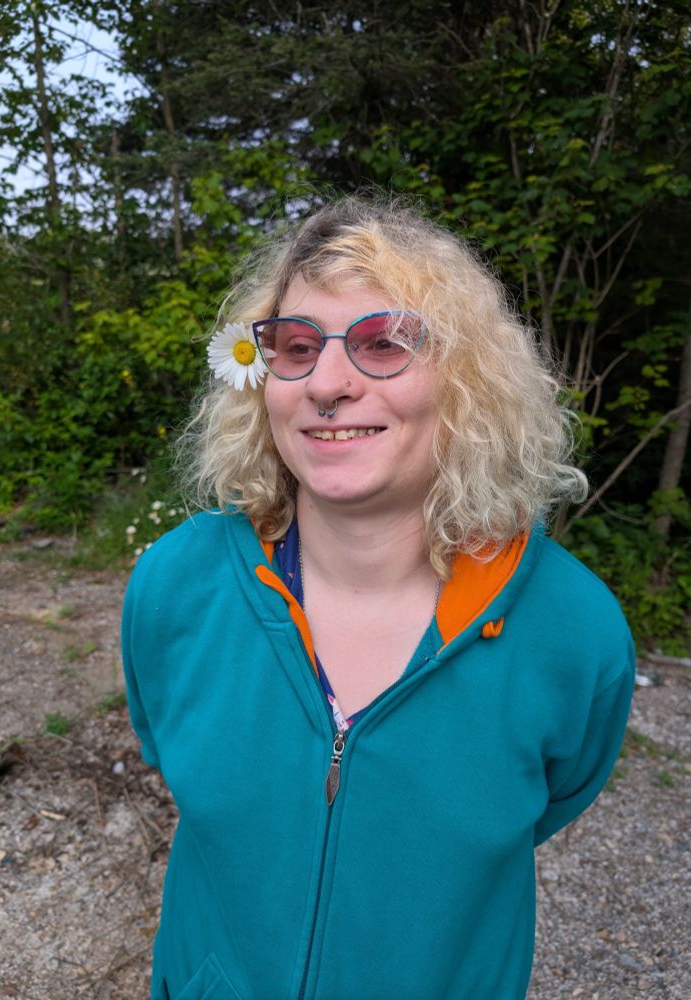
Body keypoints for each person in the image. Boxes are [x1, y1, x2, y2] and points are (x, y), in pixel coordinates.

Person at [122, 195, 635, 1000]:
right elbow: (171, 755)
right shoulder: (174, 587)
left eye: (384, 344)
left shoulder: (572, 631)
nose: (327, 383)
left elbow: (552, 798)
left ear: (466, 381)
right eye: (295, 348)